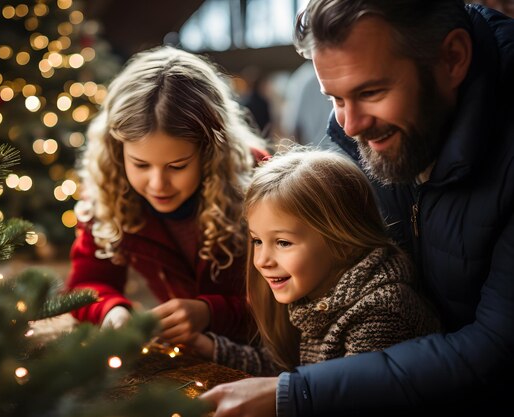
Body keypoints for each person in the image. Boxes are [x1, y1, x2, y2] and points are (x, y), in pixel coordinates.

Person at [200, 0, 514, 415]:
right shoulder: (364, 136)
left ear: (453, 59)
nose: (349, 125)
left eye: (371, 92)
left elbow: (496, 348)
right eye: (334, 98)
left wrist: (296, 395)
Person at [66, 46, 268, 345]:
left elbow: (289, 299)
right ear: (116, 152)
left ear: (212, 151)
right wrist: (111, 311)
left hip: (264, 355)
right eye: (141, 164)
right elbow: (86, 285)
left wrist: (211, 312)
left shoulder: (262, 182)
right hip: (192, 356)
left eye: (177, 166)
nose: (158, 184)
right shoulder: (106, 189)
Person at [187, 148, 439, 379]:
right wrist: (212, 349)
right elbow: (291, 370)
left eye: (283, 243)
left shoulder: (381, 314)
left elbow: (348, 399)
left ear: (343, 242)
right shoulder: (315, 290)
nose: (262, 261)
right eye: (257, 241)